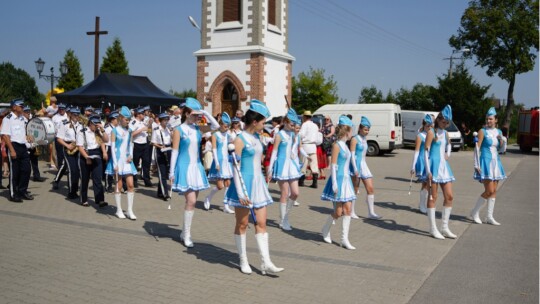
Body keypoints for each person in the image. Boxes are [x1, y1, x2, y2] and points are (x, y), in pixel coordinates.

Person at [224, 99, 284, 275]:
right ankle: (243, 260)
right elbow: (235, 167)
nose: (265, 125)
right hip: (244, 183)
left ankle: (266, 262)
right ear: (255, 121)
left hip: (258, 184)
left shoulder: (258, 137)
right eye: (263, 122)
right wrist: (241, 191)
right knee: (242, 224)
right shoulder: (239, 140)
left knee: (261, 222)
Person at [169, 97, 219, 248]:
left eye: (198, 115)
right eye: (195, 114)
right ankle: (187, 235)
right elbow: (175, 151)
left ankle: (184, 232)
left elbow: (216, 126)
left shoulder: (198, 129)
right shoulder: (178, 130)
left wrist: (204, 112)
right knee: (191, 201)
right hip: (184, 166)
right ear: (186, 114)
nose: (197, 117)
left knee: (191, 202)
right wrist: (171, 172)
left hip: (196, 167)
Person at [320, 115, 357, 250]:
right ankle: (325, 229)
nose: (352, 132)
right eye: (351, 129)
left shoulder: (346, 146)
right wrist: (334, 182)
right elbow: (334, 165)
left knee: (348, 209)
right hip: (339, 179)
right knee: (339, 212)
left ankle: (344, 239)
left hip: (346, 180)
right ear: (346, 130)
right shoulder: (337, 145)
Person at [267, 108, 303, 231]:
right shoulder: (279, 135)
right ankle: (283, 220)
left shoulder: (294, 134)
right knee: (285, 193)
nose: (293, 126)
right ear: (285, 122)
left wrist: (296, 157)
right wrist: (270, 169)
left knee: (295, 193)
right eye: (291, 124)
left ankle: (286, 216)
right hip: (282, 165)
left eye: (294, 124)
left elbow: (294, 149)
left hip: (292, 165)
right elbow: (274, 152)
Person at [470, 107, 507, 225]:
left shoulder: (499, 132)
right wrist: (476, 164)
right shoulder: (482, 131)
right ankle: (475, 212)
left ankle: (489, 216)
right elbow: (477, 148)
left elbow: (501, 149)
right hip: (485, 162)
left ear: (496, 120)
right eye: (487, 119)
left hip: (496, 162)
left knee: (494, 191)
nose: (488, 121)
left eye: (491, 119)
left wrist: (502, 141)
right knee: (489, 190)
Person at [424, 105, 457, 240]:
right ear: (438, 120)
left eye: (447, 122)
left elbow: (449, 144)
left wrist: (447, 154)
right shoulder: (432, 132)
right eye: (444, 121)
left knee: (449, 196)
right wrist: (428, 170)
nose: (446, 123)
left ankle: (444, 227)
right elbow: (425, 151)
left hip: (444, 166)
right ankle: (433, 228)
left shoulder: (446, 133)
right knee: (433, 197)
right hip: (433, 166)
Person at [106, 106, 138, 220]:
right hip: (118, 160)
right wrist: (115, 164)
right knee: (119, 185)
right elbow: (113, 148)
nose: (128, 121)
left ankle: (129, 210)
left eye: (129, 119)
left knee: (130, 185)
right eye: (126, 119)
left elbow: (131, 145)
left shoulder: (129, 131)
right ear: (120, 118)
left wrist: (131, 156)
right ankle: (119, 210)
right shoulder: (114, 131)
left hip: (127, 160)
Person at [349, 116, 382, 220]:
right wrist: (355, 169)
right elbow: (352, 155)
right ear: (360, 128)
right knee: (355, 189)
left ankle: (371, 213)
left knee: (370, 188)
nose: (367, 131)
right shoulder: (354, 139)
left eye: (368, 130)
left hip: (364, 165)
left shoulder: (364, 139)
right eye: (365, 129)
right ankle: (351, 211)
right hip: (355, 165)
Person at [1, 98, 33, 202]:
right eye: (21, 106)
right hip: (13, 145)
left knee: (26, 169)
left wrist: (29, 137)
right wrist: (11, 149)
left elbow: (25, 132)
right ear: (14, 107)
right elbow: (5, 135)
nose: (23, 107)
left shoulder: (22, 118)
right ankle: (13, 193)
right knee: (15, 172)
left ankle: (22, 191)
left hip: (23, 146)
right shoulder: (8, 119)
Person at [204, 113, 236, 214]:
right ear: (221, 125)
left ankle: (226, 205)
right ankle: (208, 197)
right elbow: (214, 149)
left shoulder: (228, 135)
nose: (227, 128)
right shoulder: (215, 135)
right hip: (219, 161)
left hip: (227, 161)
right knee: (220, 186)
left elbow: (231, 145)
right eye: (225, 126)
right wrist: (217, 162)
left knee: (228, 184)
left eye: (228, 127)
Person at [77, 115, 108, 208]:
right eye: (95, 124)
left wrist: (102, 129)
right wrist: (87, 157)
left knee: (97, 178)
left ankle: (100, 200)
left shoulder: (98, 131)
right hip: (86, 154)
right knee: (85, 179)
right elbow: (80, 146)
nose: (97, 126)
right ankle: (84, 199)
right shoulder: (82, 132)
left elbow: (105, 140)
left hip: (96, 153)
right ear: (90, 123)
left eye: (98, 124)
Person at [54, 107, 82, 199]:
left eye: (78, 115)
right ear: (70, 114)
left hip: (78, 147)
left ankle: (75, 190)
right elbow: (59, 138)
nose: (76, 116)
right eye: (74, 114)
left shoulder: (81, 125)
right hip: (68, 147)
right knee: (71, 170)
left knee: (77, 170)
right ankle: (71, 192)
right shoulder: (64, 123)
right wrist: (67, 146)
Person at [410, 114, 434, 214]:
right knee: (425, 183)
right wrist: (413, 166)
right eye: (427, 125)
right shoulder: (420, 136)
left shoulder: (432, 134)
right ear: (423, 125)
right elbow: (416, 151)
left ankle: (424, 204)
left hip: (430, 160)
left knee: (429, 183)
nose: (429, 127)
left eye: (431, 125)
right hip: (422, 160)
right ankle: (422, 205)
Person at [151, 112, 173, 201]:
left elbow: (171, 139)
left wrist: (172, 133)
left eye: (167, 120)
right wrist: (160, 146)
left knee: (165, 172)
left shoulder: (168, 129)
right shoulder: (156, 130)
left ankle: (160, 192)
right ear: (160, 121)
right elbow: (153, 142)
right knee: (161, 172)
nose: (166, 122)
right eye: (164, 120)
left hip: (168, 149)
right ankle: (165, 193)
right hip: (160, 150)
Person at [130, 107, 153, 187]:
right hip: (137, 144)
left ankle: (147, 181)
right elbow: (131, 134)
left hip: (145, 144)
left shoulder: (142, 122)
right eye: (142, 114)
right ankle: (134, 181)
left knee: (146, 163)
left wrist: (149, 124)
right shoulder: (133, 122)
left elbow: (147, 129)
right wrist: (141, 130)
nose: (144, 115)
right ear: (138, 114)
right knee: (135, 164)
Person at [299, 111, 320, 188]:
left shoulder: (304, 124)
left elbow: (302, 134)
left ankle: (301, 181)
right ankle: (315, 182)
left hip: (306, 145)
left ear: (304, 117)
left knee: (303, 163)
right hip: (313, 146)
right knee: (314, 164)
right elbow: (318, 138)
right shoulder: (315, 126)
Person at [104, 111, 119, 193]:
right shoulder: (108, 128)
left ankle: (116, 184)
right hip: (108, 147)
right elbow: (104, 140)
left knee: (115, 165)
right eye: (117, 119)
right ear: (112, 120)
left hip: (115, 148)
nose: (118, 120)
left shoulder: (116, 128)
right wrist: (105, 152)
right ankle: (108, 186)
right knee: (108, 166)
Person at [51, 103, 68, 172]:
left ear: (65, 109)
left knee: (67, 153)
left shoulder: (68, 116)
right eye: (60, 109)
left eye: (63, 109)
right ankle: (61, 168)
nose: (61, 110)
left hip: (66, 138)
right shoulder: (54, 117)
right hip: (58, 137)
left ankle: (67, 167)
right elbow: (52, 127)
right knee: (59, 154)